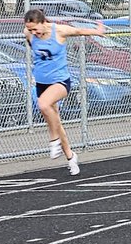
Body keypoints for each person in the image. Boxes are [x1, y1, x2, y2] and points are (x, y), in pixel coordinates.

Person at [22, 9, 106, 175]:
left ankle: (54, 141)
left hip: (60, 81)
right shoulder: (28, 33)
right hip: (42, 83)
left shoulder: (59, 30)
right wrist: (31, 33)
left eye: (35, 29)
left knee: (43, 104)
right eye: (30, 30)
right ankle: (70, 156)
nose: (33, 32)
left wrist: (97, 31)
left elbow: (79, 31)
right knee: (56, 121)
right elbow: (34, 48)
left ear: (43, 22)